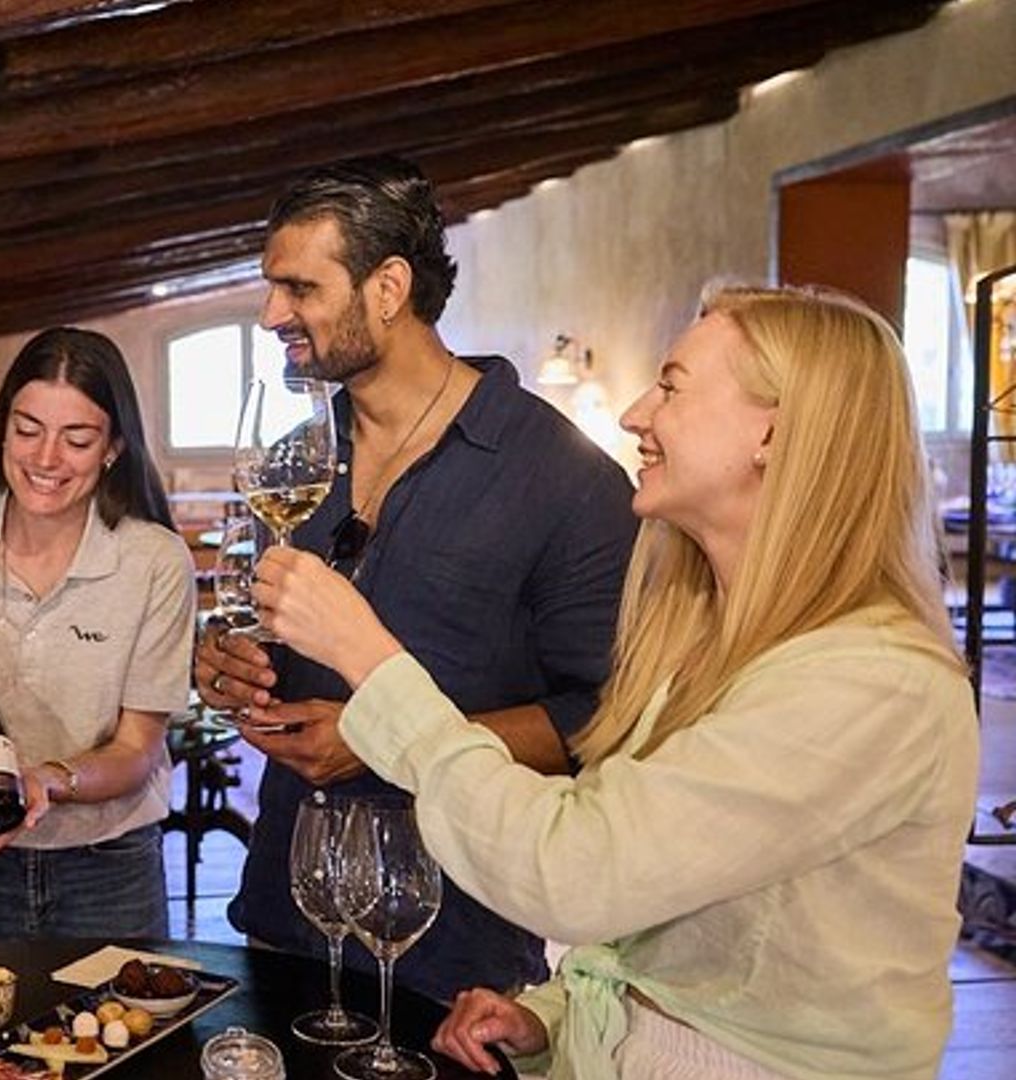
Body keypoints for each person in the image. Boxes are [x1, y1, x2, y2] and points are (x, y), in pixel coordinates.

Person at [253, 284, 979, 1079]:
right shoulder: (711, 644)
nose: (636, 414)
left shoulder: (869, 683)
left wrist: (373, 661)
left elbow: (581, 871)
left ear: (773, 430)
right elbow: (667, 900)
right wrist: (555, 1015)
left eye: (671, 385)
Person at [194, 157, 637, 1002]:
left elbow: (602, 717)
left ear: (388, 287)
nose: (270, 314)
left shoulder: (561, 477)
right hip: (282, 918)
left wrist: (379, 740)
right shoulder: (295, 461)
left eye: (299, 288)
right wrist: (223, 665)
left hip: (454, 949)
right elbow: (255, 634)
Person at [0, 327, 196, 940]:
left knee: (124, 1032)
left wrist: (44, 783)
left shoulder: (153, 560)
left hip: (109, 867)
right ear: (3, 425)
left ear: (112, 447)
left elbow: (137, 750)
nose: (46, 459)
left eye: (77, 439)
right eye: (28, 430)